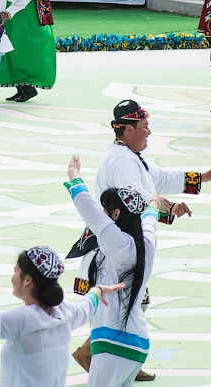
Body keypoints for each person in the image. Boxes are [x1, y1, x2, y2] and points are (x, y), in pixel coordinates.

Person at [68, 99, 211, 381]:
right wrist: (165, 210)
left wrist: (202, 177)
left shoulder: (130, 156)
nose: (149, 132)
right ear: (128, 130)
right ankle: (100, 353)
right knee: (119, 300)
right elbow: (136, 199)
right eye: (145, 127)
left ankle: (110, 354)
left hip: (124, 240)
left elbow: (159, 179)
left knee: (135, 299)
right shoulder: (123, 161)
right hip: (115, 245)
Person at [0, 249, 122, 387]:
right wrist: (98, 289)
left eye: (15, 271)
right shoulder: (65, 312)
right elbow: (88, 305)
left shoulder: (20, 320)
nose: (12, 277)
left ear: (27, 279)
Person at [64, 156, 161, 387]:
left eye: (106, 210)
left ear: (116, 214)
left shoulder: (117, 242)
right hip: (138, 343)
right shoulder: (145, 241)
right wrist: (154, 203)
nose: (102, 214)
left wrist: (73, 174)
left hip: (113, 342)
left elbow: (86, 206)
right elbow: (150, 218)